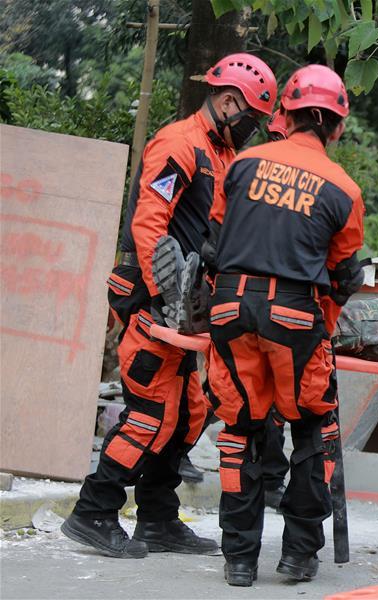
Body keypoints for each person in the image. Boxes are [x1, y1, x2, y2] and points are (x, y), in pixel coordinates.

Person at [61, 53, 277, 559]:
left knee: (189, 412)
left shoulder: (220, 153)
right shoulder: (180, 144)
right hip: (155, 303)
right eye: (250, 119)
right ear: (228, 102)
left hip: (188, 309)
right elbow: (148, 223)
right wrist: (164, 298)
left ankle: (157, 518)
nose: (252, 130)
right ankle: (93, 510)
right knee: (151, 413)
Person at [205, 64, 364, 587]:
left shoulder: (242, 164)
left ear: (284, 114)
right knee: (314, 428)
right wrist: (323, 330)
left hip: (229, 309)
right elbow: (342, 278)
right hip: (295, 315)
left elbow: (214, 243)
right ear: (336, 126)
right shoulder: (344, 189)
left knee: (241, 429)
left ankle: (239, 561)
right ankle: (298, 554)